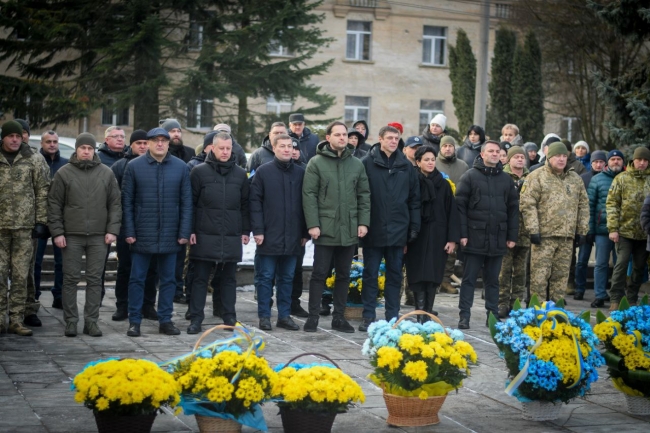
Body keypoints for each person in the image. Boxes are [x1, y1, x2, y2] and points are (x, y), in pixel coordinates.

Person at [47, 133, 121, 337]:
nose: (86, 151)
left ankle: (91, 322)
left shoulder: (106, 173)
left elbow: (115, 203)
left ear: (94, 150)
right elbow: (54, 204)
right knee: (70, 279)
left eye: (90, 148)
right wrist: (58, 232)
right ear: (77, 150)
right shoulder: (64, 173)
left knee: (95, 279)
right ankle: (71, 321)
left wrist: (112, 230)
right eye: (83, 148)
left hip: (99, 236)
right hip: (71, 236)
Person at [121, 127, 192, 337]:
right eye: (155, 140)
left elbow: (186, 203)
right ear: (149, 143)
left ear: (168, 143)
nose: (160, 144)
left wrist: (184, 232)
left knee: (169, 280)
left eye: (163, 140)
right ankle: (134, 320)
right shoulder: (134, 167)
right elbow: (127, 202)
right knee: (137, 279)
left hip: (171, 234)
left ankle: (165, 319)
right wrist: (129, 231)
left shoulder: (180, 168)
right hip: (143, 233)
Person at [302, 121, 370, 333]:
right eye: (338, 134)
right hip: (325, 228)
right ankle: (313, 316)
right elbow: (309, 195)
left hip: (349, 228)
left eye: (345, 135)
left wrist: (363, 222)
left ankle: (338, 318)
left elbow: (364, 195)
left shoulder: (356, 164)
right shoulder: (316, 163)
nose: (342, 138)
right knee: (319, 274)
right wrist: (312, 224)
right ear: (328, 137)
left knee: (343, 274)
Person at [187, 132, 250, 334]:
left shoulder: (241, 174)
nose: (225, 152)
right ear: (212, 148)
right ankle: (196, 317)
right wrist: (190, 230)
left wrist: (245, 230)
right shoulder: (198, 172)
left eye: (228, 148)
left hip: (230, 234)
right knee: (200, 278)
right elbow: (190, 204)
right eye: (221, 148)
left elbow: (245, 205)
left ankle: (229, 315)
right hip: (204, 233)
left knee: (229, 278)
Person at [360, 125, 421, 329]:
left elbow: (414, 199)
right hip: (373, 229)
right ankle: (368, 315)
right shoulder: (367, 163)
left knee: (395, 275)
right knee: (370, 275)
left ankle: (392, 317)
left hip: (398, 230)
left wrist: (413, 227)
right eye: (390, 138)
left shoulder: (406, 166)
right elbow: (360, 196)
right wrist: (362, 223)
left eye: (396, 138)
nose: (393, 141)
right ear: (380, 139)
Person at [456, 140, 519, 329]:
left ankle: (492, 316)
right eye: (490, 151)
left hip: (497, 238)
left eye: (497, 151)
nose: (494, 154)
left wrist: (512, 236)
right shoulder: (469, 177)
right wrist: (462, 234)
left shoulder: (506, 180)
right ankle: (464, 316)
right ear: (482, 154)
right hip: (474, 238)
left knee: (493, 280)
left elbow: (513, 210)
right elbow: (460, 207)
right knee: (468, 280)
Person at [250, 133, 308, 331]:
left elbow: (305, 206)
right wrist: (258, 230)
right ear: (274, 148)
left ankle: (284, 316)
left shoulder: (300, 173)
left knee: (287, 278)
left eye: (289, 146)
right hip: (268, 236)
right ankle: (264, 316)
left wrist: (304, 233)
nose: (286, 149)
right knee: (265, 278)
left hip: (293, 238)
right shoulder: (263, 172)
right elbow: (254, 203)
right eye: (282, 146)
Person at [520, 141, 589, 303]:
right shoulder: (536, 176)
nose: (561, 159)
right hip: (544, 237)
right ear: (549, 157)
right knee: (539, 278)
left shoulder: (575, 179)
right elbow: (527, 204)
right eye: (558, 156)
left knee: (560, 279)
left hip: (566, 237)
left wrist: (582, 230)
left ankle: (557, 314)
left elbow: (583, 204)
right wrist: (533, 229)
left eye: (564, 156)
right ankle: (536, 314)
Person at [0, 120, 50, 336]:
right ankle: (1, 318)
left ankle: (16, 319)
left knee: (21, 275)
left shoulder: (34, 159)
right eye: (10, 136)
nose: (14, 140)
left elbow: (42, 191)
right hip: (0, 228)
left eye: (18, 136)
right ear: (3, 137)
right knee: (0, 273)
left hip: (24, 228)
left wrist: (41, 222)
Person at [404, 146, 459, 322]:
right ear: (418, 162)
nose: (430, 163)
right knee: (417, 273)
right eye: (426, 159)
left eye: (432, 159)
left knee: (434, 275)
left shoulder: (443, 184)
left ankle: (428, 312)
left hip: (438, 235)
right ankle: (419, 312)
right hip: (416, 235)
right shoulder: (412, 181)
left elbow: (452, 212)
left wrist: (452, 239)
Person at [110, 130, 158, 322]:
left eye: (146, 143)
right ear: (131, 145)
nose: (143, 146)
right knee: (125, 267)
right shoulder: (120, 166)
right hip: (126, 226)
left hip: (150, 228)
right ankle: (122, 305)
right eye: (138, 143)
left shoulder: (156, 165)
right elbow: (115, 199)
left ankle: (148, 305)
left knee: (151, 269)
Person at [605, 146, 650, 310]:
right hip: (624, 231)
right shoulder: (622, 179)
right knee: (621, 263)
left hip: (644, 233)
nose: (642, 163)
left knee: (639, 267)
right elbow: (612, 204)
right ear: (633, 160)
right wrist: (613, 228)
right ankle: (615, 298)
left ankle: (632, 298)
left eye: (646, 160)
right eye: (639, 160)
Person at [584, 150, 625, 307]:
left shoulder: (626, 179)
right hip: (602, 229)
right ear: (608, 162)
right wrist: (590, 230)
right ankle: (600, 295)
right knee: (601, 264)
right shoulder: (597, 180)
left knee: (619, 264)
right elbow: (590, 206)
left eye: (618, 159)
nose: (616, 162)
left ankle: (618, 295)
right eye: (613, 159)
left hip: (624, 230)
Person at [34, 131, 67, 310]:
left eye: (55, 141)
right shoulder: (36, 162)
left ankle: (59, 296)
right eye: (48, 141)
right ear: (42, 143)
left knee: (61, 261)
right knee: (36, 262)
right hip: (38, 219)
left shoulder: (65, 164)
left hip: (60, 221)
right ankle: (34, 296)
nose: (52, 144)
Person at [160, 119, 193, 305]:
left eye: (179, 131)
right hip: (163, 214)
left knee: (180, 259)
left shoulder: (188, 154)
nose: (177, 134)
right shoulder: (161, 155)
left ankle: (177, 291)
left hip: (182, 214)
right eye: (172, 131)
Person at [497, 147, 530, 318]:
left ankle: (516, 303)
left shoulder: (531, 177)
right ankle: (502, 303)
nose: (519, 159)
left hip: (525, 231)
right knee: (504, 270)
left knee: (520, 271)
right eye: (516, 157)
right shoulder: (502, 176)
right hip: (506, 230)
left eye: (521, 157)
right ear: (509, 159)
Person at [437, 135, 469, 295]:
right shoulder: (434, 163)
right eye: (445, 146)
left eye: (450, 146)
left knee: (452, 248)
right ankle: (435, 280)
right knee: (435, 248)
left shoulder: (463, 166)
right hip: (437, 212)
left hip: (456, 211)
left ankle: (446, 280)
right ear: (440, 148)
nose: (448, 148)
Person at [573, 150, 607, 301]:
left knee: (601, 261)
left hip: (601, 226)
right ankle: (579, 288)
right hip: (585, 225)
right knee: (582, 260)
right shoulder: (583, 179)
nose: (598, 164)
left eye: (601, 162)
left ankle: (601, 291)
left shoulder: (608, 178)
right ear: (591, 163)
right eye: (596, 162)